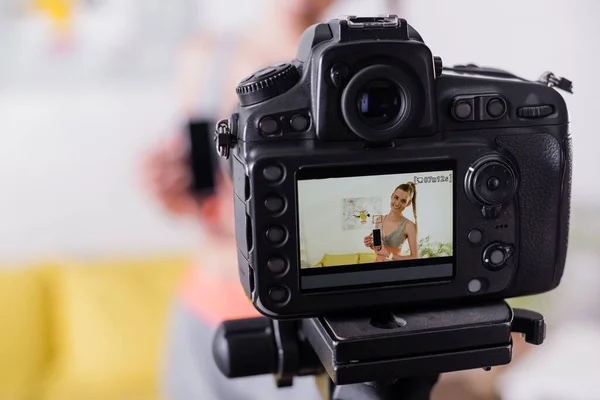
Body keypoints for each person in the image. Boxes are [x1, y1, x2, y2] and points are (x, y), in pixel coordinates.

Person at [141, 1, 337, 399]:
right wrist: (168, 188)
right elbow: (197, 202)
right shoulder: (207, 56)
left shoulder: (344, 74)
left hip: (294, 332)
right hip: (203, 308)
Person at [363, 182, 418, 262]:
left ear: (408, 203)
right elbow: (379, 249)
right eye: (396, 197)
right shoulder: (379, 219)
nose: (397, 203)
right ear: (392, 196)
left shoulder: (409, 226)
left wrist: (389, 255)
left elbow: (415, 257)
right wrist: (371, 245)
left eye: (403, 201)